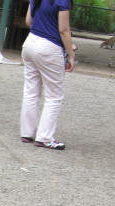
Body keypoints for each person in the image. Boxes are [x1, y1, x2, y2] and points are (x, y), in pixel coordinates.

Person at [20, 0, 75, 150]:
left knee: (31, 91)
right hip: (49, 47)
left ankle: (27, 132)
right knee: (54, 95)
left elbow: (28, 21)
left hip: (30, 42)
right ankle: (44, 137)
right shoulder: (62, 1)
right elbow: (63, 30)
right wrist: (71, 54)